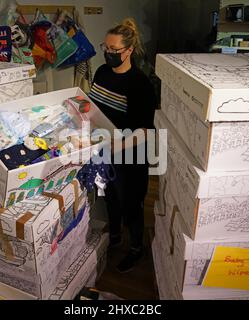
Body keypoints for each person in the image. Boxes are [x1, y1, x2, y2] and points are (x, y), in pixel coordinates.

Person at [88, 18, 157, 273]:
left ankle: (136, 248)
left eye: (113, 50)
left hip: (130, 156)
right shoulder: (102, 72)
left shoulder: (140, 84)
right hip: (104, 150)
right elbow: (96, 107)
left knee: (131, 205)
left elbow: (146, 131)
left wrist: (113, 147)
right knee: (110, 198)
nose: (108, 53)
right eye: (105, 48)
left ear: (128, 51)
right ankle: (114, 238)